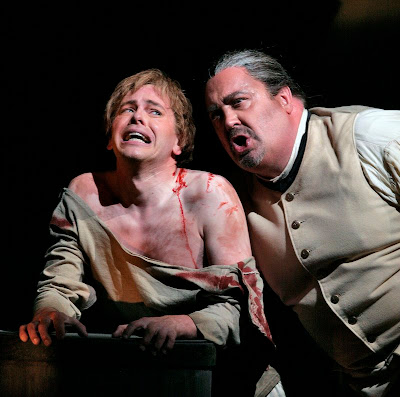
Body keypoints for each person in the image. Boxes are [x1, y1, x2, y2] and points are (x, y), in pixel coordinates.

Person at [19, 69, 281, 396]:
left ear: (179, 141)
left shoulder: (210, 194)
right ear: (108, 133)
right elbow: (60, 280)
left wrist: (183, 324)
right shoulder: (84, 193)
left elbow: (241, 306)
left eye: (154, 111)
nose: (138, 117)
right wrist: (50, 313)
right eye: (127, 109)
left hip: (232, 380)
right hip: (146, 377)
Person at [204, 49, 400, 397]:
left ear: (284, 99)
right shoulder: (232, 202)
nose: (229, 120)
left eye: (240, 102)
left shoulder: (370, 136)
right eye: (217, 115)